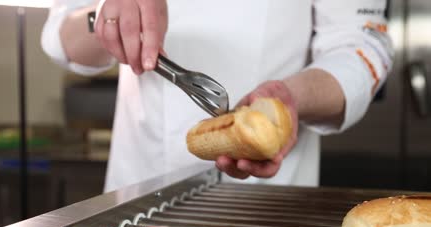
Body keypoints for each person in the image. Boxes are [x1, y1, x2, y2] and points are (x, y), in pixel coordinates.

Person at [42, 0, 393, 192]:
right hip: (135, 200)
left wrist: (289, 100)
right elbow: (60, 34)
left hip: (264, 209)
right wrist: (107, 14)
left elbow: (360, 47)